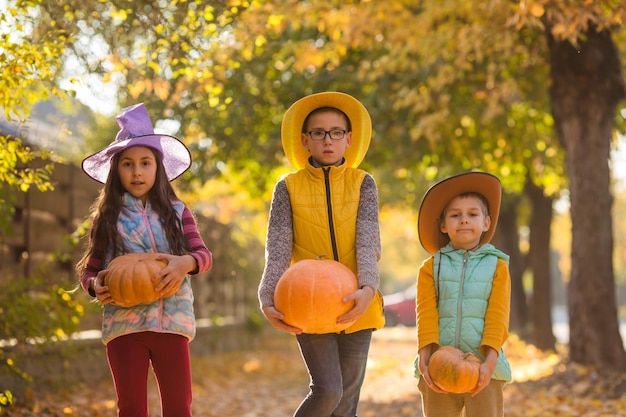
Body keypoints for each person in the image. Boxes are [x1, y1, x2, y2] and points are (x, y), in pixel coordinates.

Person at [75, 103, 212, 417]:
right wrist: (95, 286)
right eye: (127, 164)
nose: (137, 172)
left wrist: (184, 264)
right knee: (132, 409)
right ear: (116, 170)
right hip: (125, 326)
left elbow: (203, 256)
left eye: (145, 163)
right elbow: (91, 270)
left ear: (158, 168)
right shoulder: (107, 217)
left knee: (179, 407)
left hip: (172, 324)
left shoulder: (179, 212)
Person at [258, 92, 385, 417]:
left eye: (336, 132)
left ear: (348, 139)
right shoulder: (287, 187)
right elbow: (278, 247)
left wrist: (368, 289)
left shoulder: (363, 184)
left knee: (346, 407)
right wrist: (267, 296)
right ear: (305, 140)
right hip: (306, 301)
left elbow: (368, 243)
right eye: (319, 132)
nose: (328, 140)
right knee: (328, 391)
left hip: (358, 303)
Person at [413, 171, 512, 417]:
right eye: (455, 215)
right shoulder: (430, 268)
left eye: (472, 214)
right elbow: (425, 315)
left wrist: (490, 363)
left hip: (484, 366)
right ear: (444, 225)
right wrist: (425, 358)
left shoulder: (497, 266)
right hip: (439, 366)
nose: (464, 220)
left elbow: (498, 316)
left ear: (486, 223)